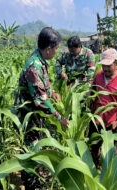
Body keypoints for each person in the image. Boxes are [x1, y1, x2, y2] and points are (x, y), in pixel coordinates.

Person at [15, 27, 69, 189]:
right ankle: (31, 181)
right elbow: (40, 101)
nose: (57, 51)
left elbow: (40, 85)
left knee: (35, 144)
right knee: (32, 147)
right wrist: (60, 118)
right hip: (29, 114)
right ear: (48, 49)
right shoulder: (34, 66)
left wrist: (51, 92)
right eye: (57, 48)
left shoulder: (40, 60)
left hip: (34, 112)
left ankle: (31, 175)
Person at [89, 48, 117, 166]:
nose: (105, 68)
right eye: (103, 65)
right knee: (94, 146)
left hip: (112, 123)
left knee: (113, 151)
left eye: (109, 65)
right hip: (96, 120)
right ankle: (95, 167)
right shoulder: (99, 75)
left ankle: (112, 172)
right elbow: (92, 90)